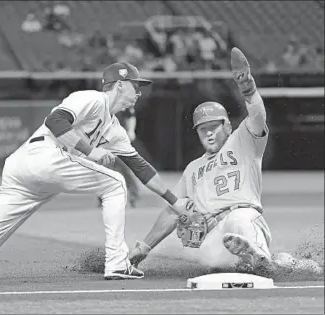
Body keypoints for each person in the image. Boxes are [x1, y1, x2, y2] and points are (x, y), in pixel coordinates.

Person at [0, 62, 196, 280]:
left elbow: (141, 168)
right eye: (136, 86)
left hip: (30, 172)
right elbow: (55, 121)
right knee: (115, 183)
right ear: (120, 85)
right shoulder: (92, 99)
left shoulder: (115, 130)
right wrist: (91, 152)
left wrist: (174, 201)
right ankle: (116, 262)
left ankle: (117, 261)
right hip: (41, 155)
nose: (139, 92)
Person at [128, 48, 322, 277]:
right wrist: (143, 249)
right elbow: (172, 211)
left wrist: (249, 90)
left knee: (239, 220)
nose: (208, 133)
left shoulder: (242, 141)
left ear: (228, 126)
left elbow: (258, 116)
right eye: (202, 129)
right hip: (213, 235)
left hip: (244, 217)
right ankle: (272, 262)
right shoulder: (193, 169)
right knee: (213, 261)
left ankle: (259, 258)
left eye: (214, 127)